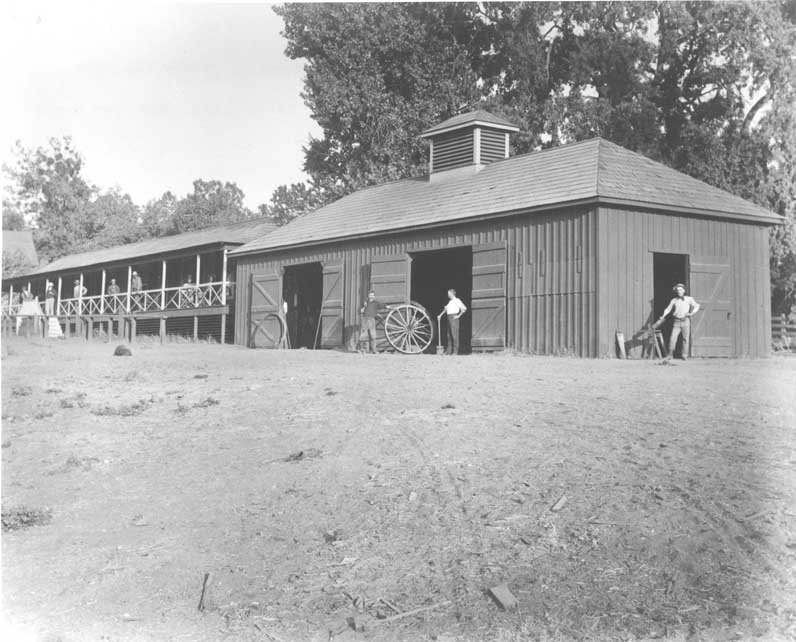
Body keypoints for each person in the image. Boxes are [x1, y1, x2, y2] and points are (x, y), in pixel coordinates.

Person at [655, 282, 700, 360]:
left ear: (684, 290)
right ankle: (670, 354)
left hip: (685, 321)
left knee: (685, 339)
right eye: (678, 290)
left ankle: (684, 355)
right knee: (673, 338)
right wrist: (663, 316)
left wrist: (692, 313)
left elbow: (697, 306)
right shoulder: (674, 300)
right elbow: (668, 309)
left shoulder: (689, 299)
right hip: (676, 322)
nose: (679, 291)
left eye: (681, 290)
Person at [437, 288, 467, 355]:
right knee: (449, 335)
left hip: (454, 318)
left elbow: (464, 308)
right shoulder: (450, 302)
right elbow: (446, 309)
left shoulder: (457, 300)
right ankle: (449, 351)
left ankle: (455, 351)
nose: (448, 295)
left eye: (449, 294)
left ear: (452, 294)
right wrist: (440, 315)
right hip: (449, 318)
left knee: (454, 335)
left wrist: (458, 316)